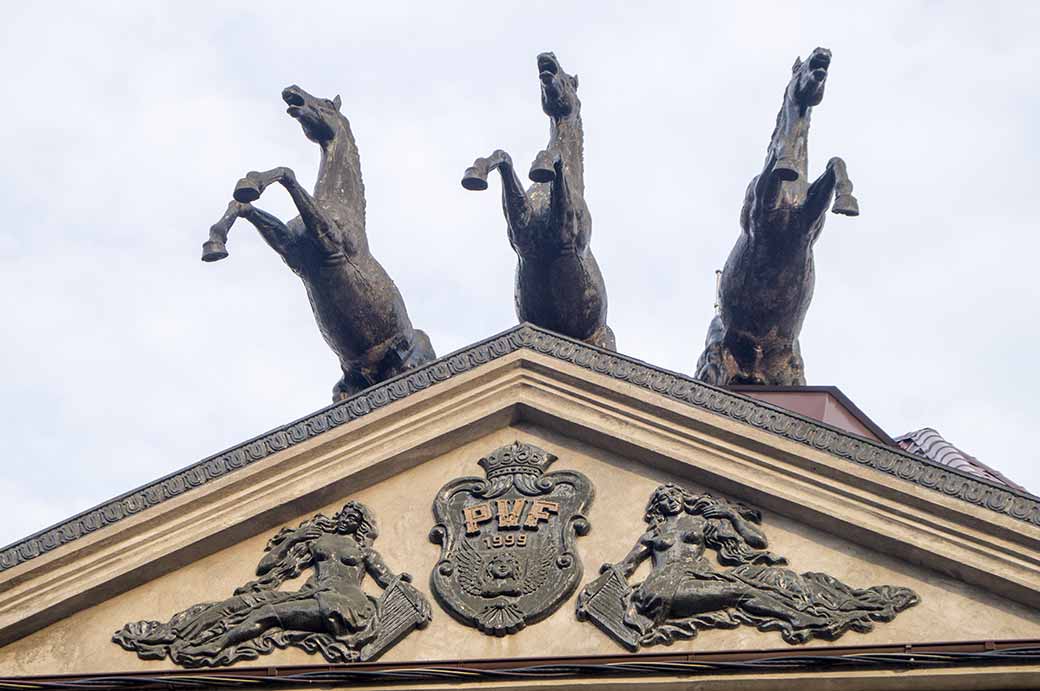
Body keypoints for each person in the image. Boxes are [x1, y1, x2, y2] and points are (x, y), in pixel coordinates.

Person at [114, 501, 419, 667]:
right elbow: (267, 566)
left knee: (266, 615)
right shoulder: (318, 540)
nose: (348, 518)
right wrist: (296, 538)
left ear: (361, 524)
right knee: (238, 605)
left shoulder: (365, 551)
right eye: (346, 512)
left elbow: (387, 580)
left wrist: (406, 588)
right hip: (315, 594)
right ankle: (179, 633)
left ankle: (214, 645)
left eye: (356, 516)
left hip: (348, 606)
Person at [613, 484, 917, 646]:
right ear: (657, 507)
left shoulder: (698, 524)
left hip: (694, 578)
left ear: (682, 497)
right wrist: (608, 579)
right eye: (662, 498)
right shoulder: (653, 533)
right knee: (738, 592)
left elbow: (756, 542)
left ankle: (813, 611)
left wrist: (731, 516)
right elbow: (627, 566)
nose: (669, 500)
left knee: (763, 581)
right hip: (660, 590)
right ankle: (802, 620)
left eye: (673, 494)